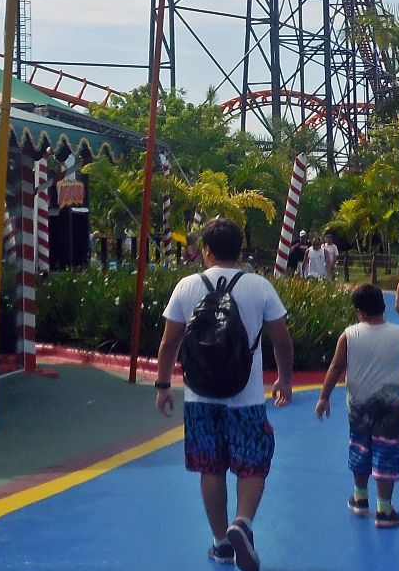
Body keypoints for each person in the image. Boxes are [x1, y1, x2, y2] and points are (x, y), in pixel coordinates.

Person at [155, 219, 295, 570]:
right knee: (253, 464)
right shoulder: (259, 286)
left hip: (200, 397)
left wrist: (162, 385)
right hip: (246, 398)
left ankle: (220, 544)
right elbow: (282, 340)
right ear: (240, 250)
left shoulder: (187, 286)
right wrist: (284, 379)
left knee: (211, 468)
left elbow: (169, 343)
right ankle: (242, 523)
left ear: (206, 250)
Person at [315, 284, 399, 529]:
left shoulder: (349, 335)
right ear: (383, 306)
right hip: (390, 409)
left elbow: (336, 367)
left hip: (358, 408)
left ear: (359, 311)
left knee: (360, 450)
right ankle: (384, 509)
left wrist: (324, 397)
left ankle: (360, 497)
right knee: (386, 455)